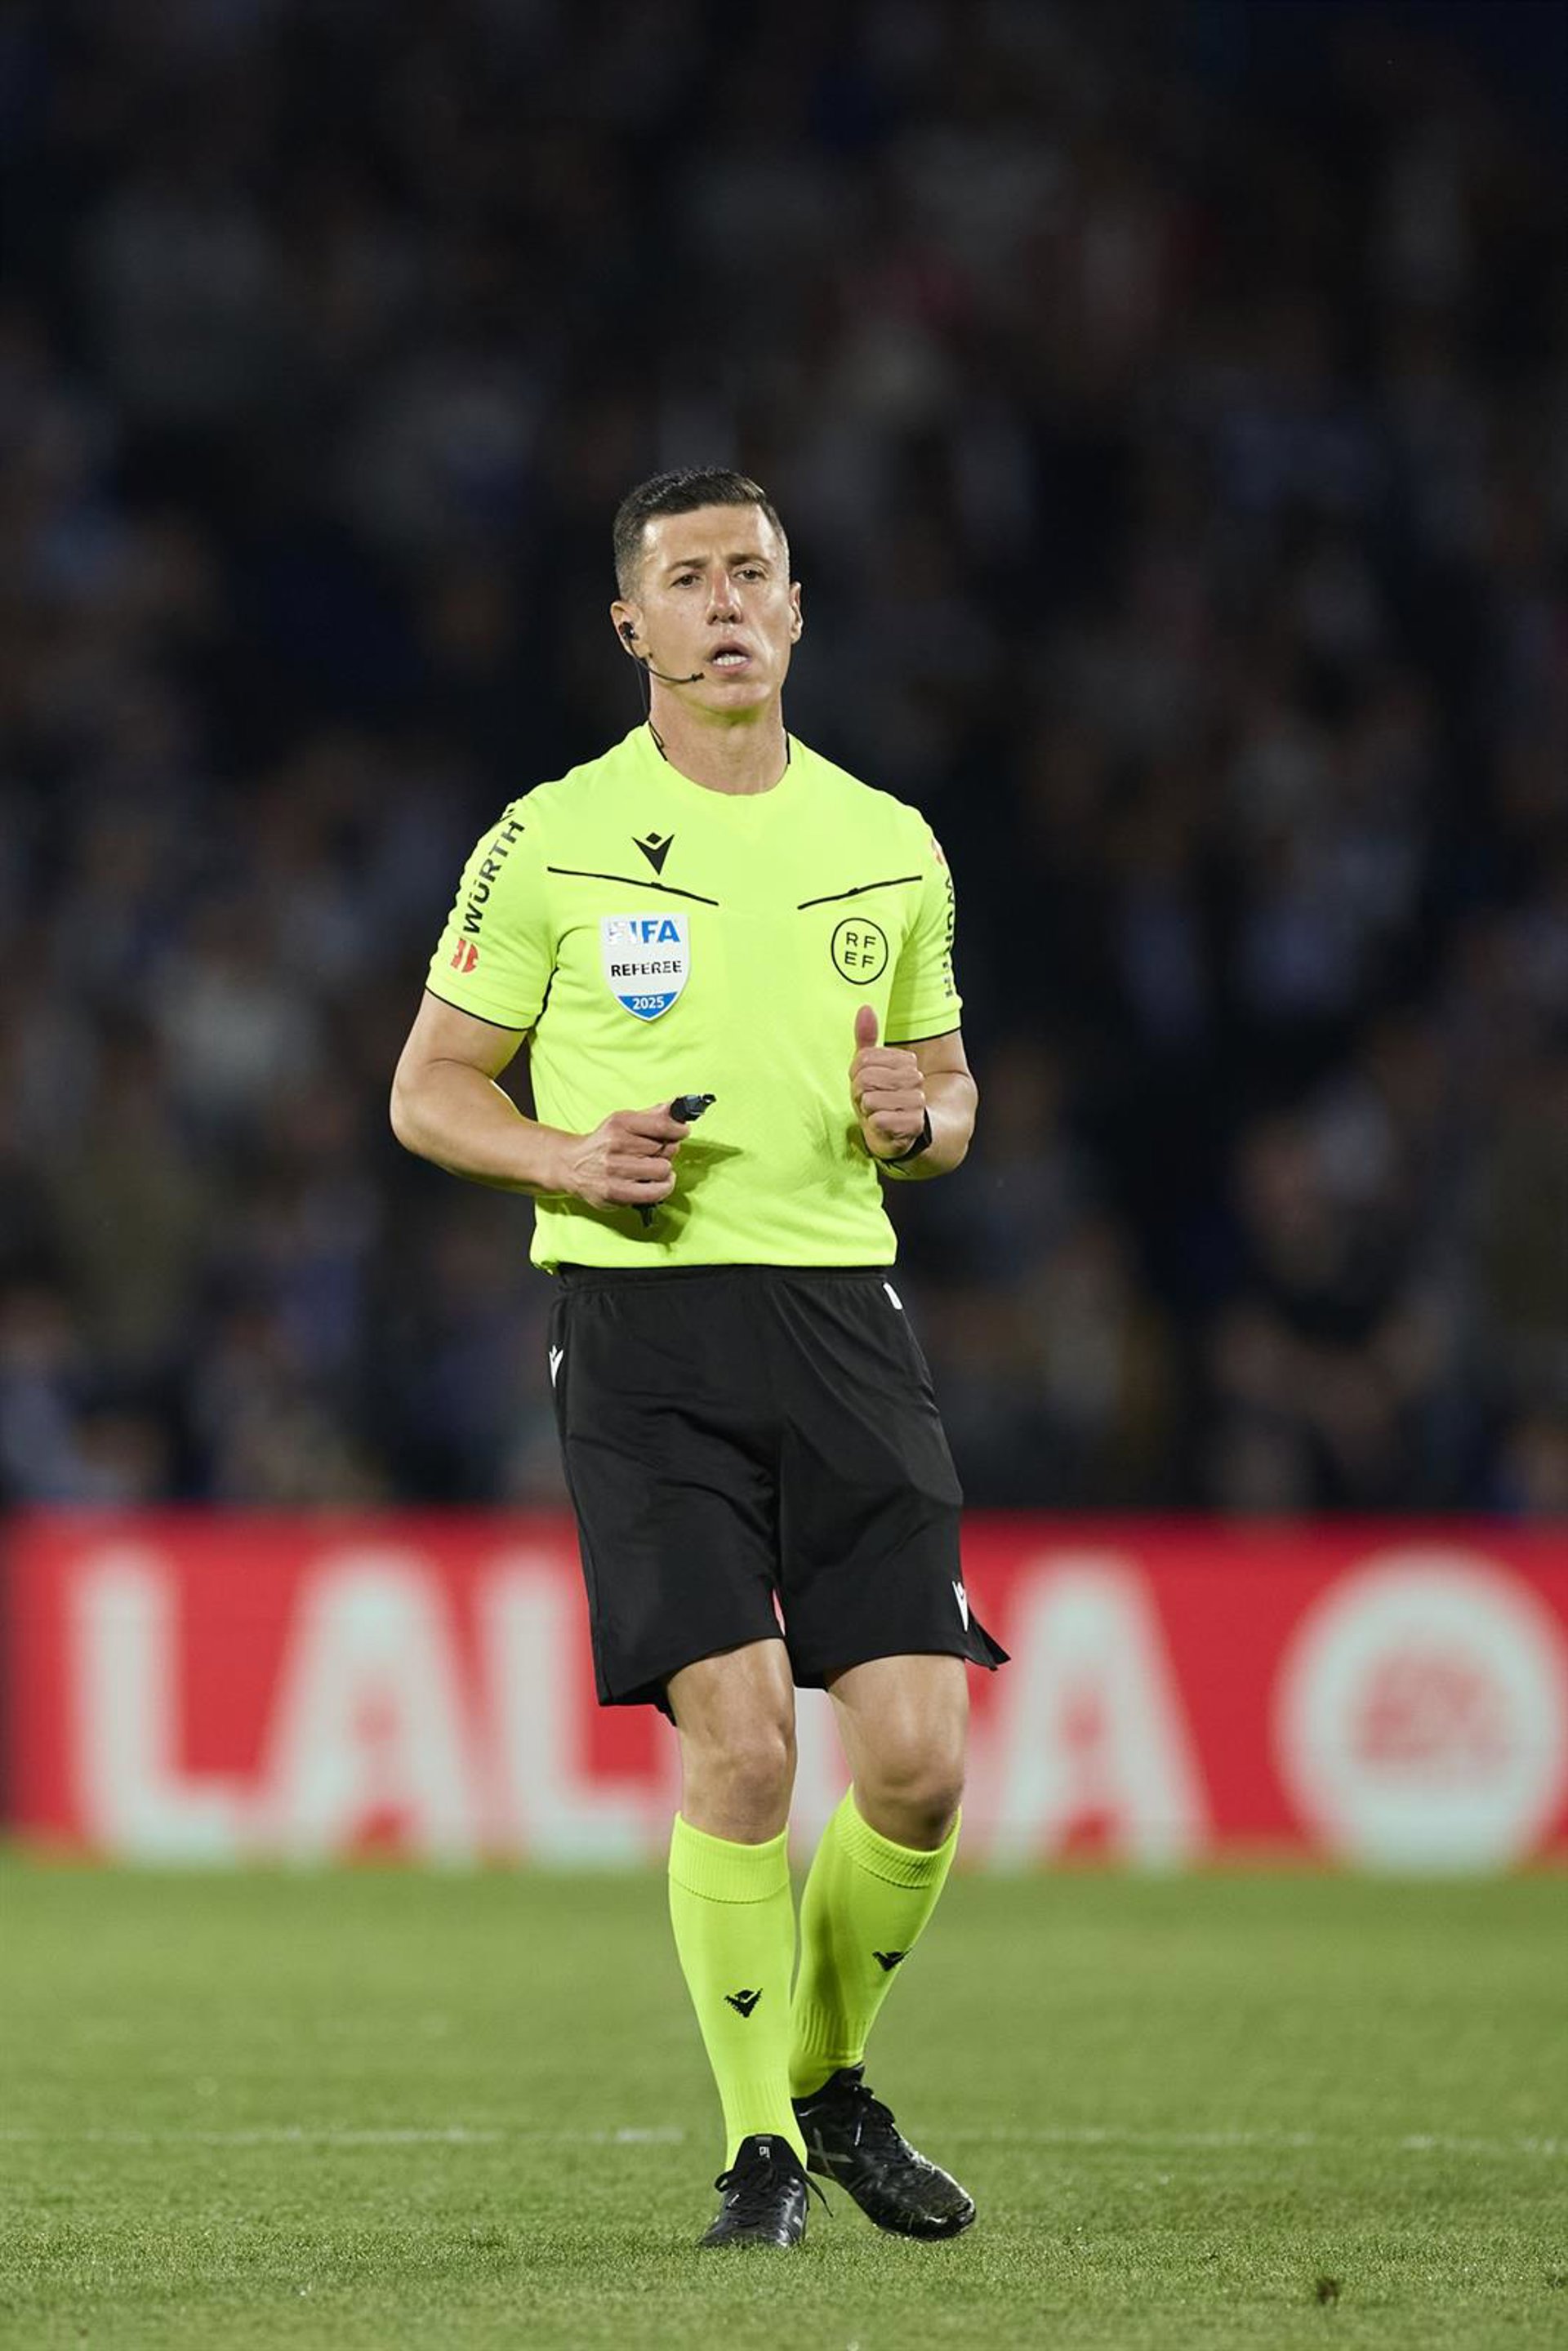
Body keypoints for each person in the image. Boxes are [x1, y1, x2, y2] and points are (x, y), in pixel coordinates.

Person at [390, 467, 1007, 2248]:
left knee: (920, 1764)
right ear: (630, 625)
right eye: (689, 578)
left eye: (754, 572)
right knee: (740, 1748)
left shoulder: (890, 843)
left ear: (797, 611)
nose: (727, 600)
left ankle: (828, 2080)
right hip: (645, 1327)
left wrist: (923, 1122)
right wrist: (561, 1158)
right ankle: (760, 2155)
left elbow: (949, 1094)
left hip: (843, 1318)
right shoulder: (550, 838)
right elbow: (428, 1089)